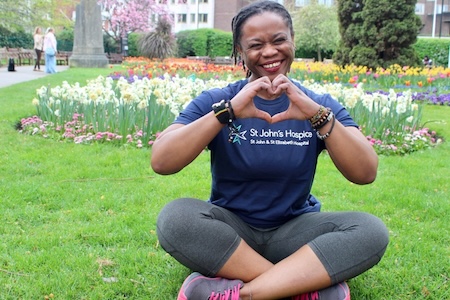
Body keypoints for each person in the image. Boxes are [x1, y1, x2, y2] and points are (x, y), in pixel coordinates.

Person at [151, 1, 389, 299]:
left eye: (279, 40)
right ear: (240, 51)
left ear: (292, 42)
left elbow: (365, 172)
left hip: (295, 233)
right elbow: (161, 160)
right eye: (255, 45)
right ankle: (297, 284)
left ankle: (246, 292)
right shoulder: (218, 100)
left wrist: (318, 116)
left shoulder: (317, 103)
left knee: (370, 230)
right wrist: (227, 113)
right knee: (176, 218)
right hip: (232, 233)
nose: (269, 52)